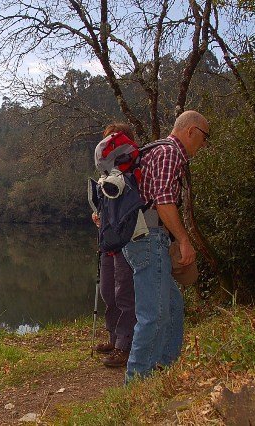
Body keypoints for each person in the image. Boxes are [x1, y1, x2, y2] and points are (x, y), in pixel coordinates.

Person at [122, 110, 210, 382]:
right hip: (149, 237)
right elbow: (163, 202)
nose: (204, 144)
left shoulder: (156, 150)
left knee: (172, 305)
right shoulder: (170, 152)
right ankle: (137, 384)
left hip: (142, 237)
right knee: (154, 315)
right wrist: (184, 240)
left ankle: (164, 370)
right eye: (205, 137)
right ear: (191, 131)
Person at [92, 123, 137, 368]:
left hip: (125, 243)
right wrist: (98, 216)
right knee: (108, 292)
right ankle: (113, 337)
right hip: (108, 243)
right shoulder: (106, 176)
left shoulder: (132, 172)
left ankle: (124, 346)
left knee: (124, 295)